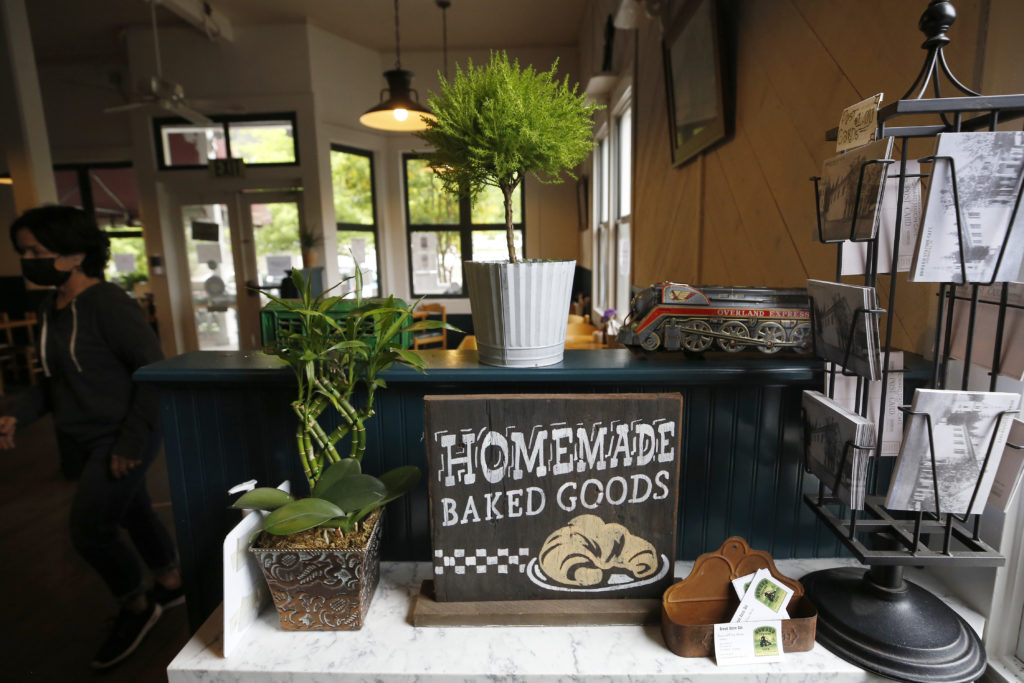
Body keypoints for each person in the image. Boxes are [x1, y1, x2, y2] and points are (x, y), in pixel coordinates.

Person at [0, 205, 182, 669]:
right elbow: (52, 381)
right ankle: (170, 581)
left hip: (120, 438)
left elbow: (151, 374)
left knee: (90, 530)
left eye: (36, 250)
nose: (27, 259)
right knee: (134, 509)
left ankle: (136, 606)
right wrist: (17, 416)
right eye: (22, 251)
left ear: (75, 255)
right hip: (80, 437)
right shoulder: (52, 307)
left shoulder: (109, 305)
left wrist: (129, 445)